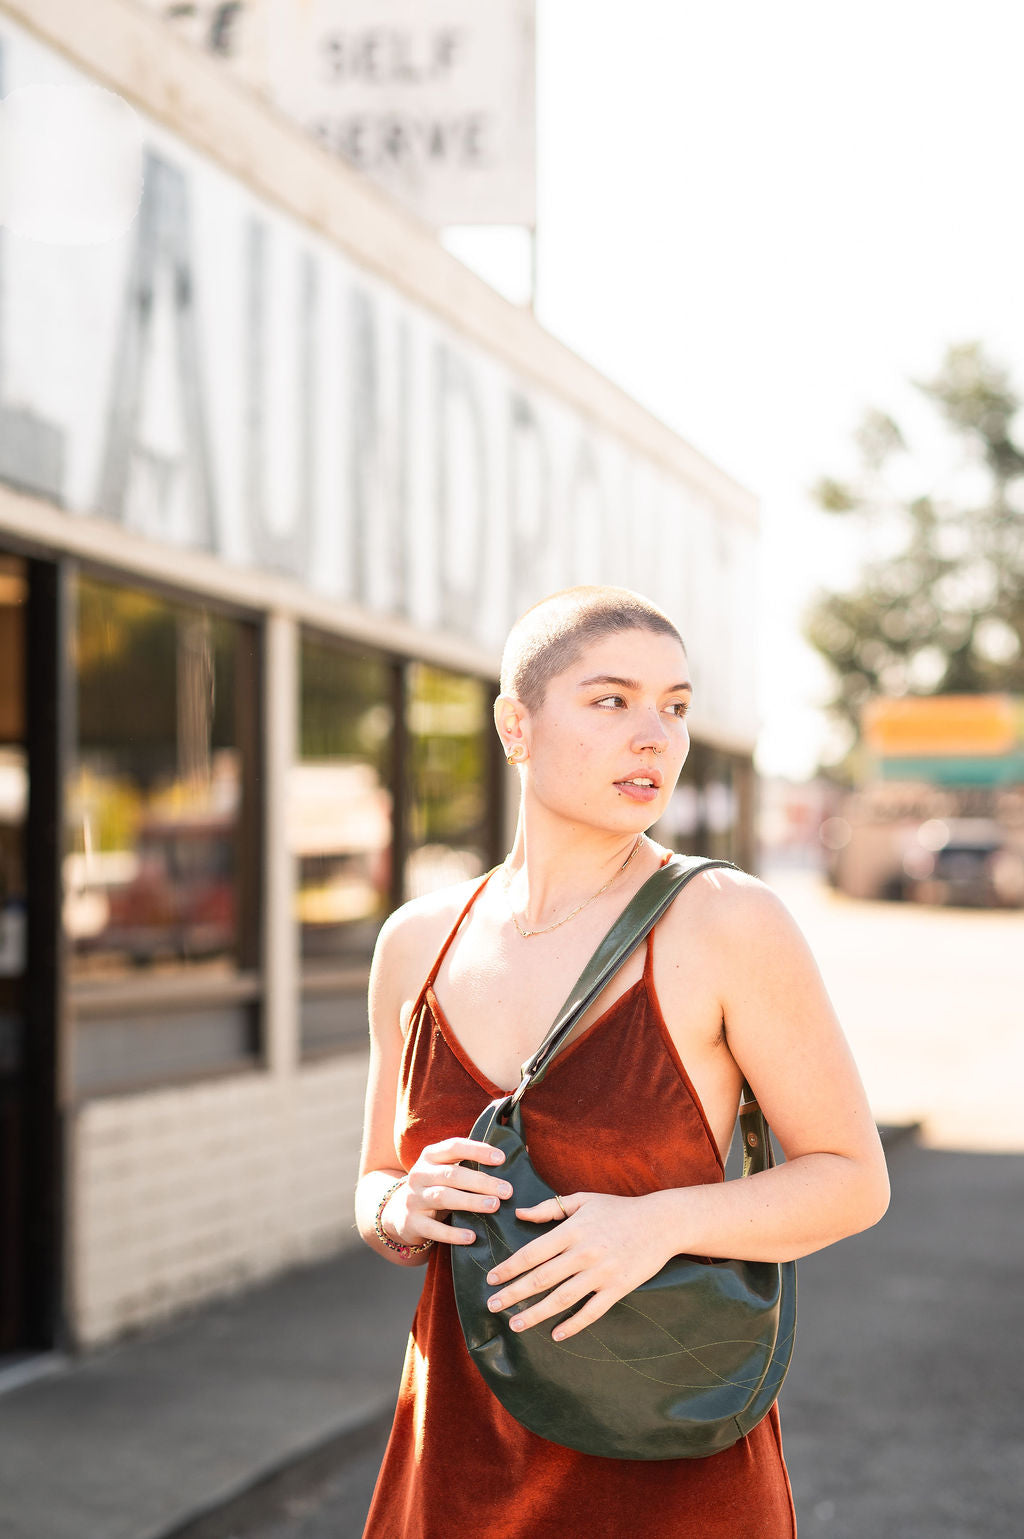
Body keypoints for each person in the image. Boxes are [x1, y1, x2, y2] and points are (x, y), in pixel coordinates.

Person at [355, 585, 890, 1538]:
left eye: (676, 706)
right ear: (515, 725)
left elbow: (853, 1179)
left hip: (666, 1470)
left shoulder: (726, 920)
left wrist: (657, 1224)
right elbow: (376, 1181)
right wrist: (399, 1208)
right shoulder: (415, 941)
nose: (656, 736)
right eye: (612, 700)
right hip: (455, 1461)